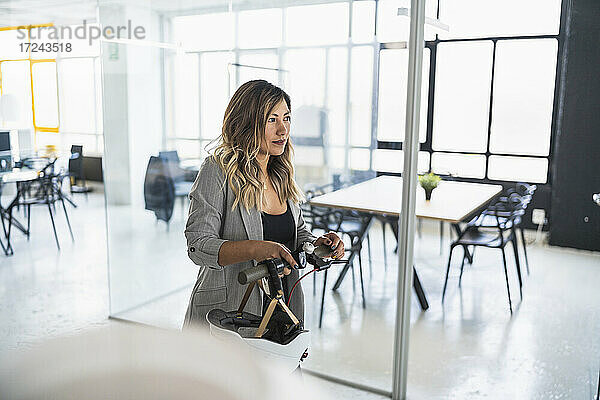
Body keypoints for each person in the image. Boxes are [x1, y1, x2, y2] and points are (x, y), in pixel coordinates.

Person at [182, 80, 344, 329]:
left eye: (287, 118)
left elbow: (297, 234)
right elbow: (198, 245)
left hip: (281, 311)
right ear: (248, 121)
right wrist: (255, 249)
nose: (283, 130)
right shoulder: (217, 169)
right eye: (272, 119)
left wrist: (315, 244)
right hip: (228, 312)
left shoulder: (281, 173)